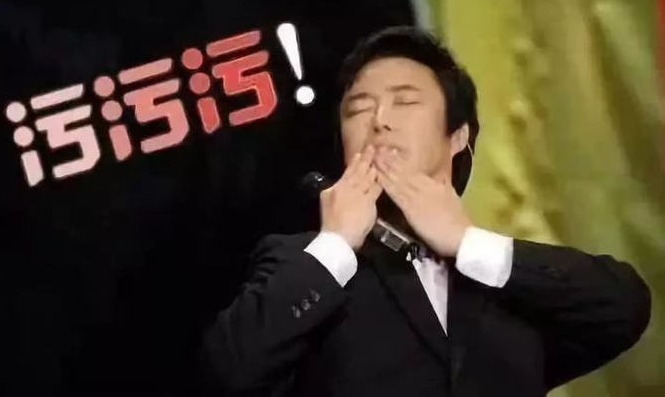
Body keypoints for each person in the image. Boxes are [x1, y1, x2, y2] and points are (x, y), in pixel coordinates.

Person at [199, 27, 651, 397]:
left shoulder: (506, 281)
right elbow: (230, 371)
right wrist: (334, 245)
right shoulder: (302, 262)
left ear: (457, 136)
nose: (379, 120)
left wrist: (467, 244)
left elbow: (624, 308)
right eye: (359, 108)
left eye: (406, 101)